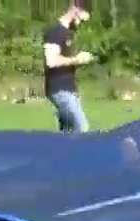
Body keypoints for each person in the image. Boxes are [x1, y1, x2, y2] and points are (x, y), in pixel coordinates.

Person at [42, 2, 96, 133]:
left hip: (69, 89)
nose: (80, 23)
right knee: (82, 129)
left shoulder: (68, 33)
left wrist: (79, 61)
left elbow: (65, 62)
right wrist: (76, 59)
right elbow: (51, 61)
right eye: (80, 18)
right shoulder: (55, 31)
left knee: (67, 135)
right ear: (75, 9)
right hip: (59, 89)